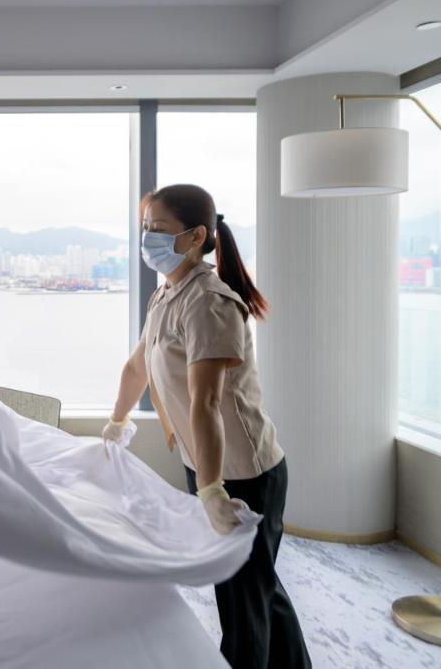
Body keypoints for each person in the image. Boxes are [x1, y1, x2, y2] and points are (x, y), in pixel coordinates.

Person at [102, 184, 311, 669]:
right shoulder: (166, 293)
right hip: (208, 465)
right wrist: (116, 420)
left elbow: (207, 401)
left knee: (242, 601)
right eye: (145, 228)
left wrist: (214, 489)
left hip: (244, 474)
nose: (148, 237)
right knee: (255, 587)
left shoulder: (209, 302)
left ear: (196, 237)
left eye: (159, 229)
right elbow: (138, 368)